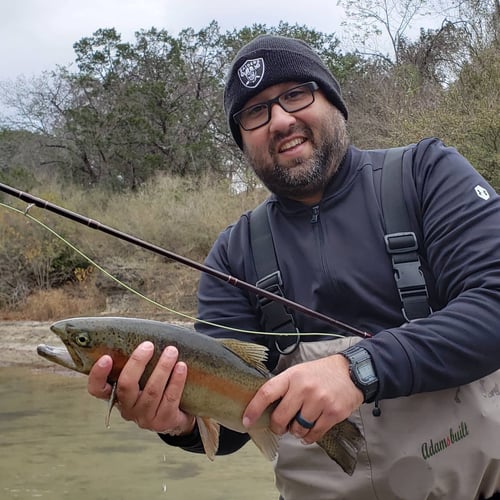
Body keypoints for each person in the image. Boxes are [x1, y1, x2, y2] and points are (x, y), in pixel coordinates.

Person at [88, 35, 500, 499]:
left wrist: (359, 370)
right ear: (242, 141)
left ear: (334, 102)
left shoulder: (427, 174)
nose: (280, 121)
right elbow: (239, 427)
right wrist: (181, 422)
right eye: (254, 113)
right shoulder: (233, 254)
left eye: (295, 95)